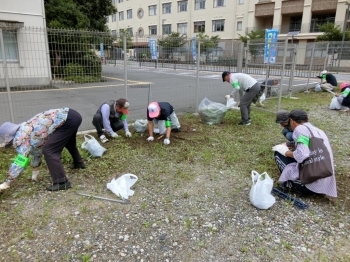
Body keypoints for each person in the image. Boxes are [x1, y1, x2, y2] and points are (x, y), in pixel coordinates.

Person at [0, 108, 85, 192]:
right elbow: (36, 150)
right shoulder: (25, 128)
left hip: (66, 120)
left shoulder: (20, 138)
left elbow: (20, 161)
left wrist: (7, 182)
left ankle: (62, 182)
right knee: (69, 143)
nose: (12, 145)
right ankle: (79, 163)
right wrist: (35, 170)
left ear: (9, 137)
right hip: (72, 115)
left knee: (49, 150)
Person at [271, 109, 337, 197]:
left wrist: (284, 151)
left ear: (292, 121)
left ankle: (289, 185)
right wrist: (289, 145)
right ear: (308, 119)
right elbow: (308, 143)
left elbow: (302, 155)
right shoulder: (318, 130)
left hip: (310, 187)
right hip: (325, 184)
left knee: (278, 154)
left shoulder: (299, 129)